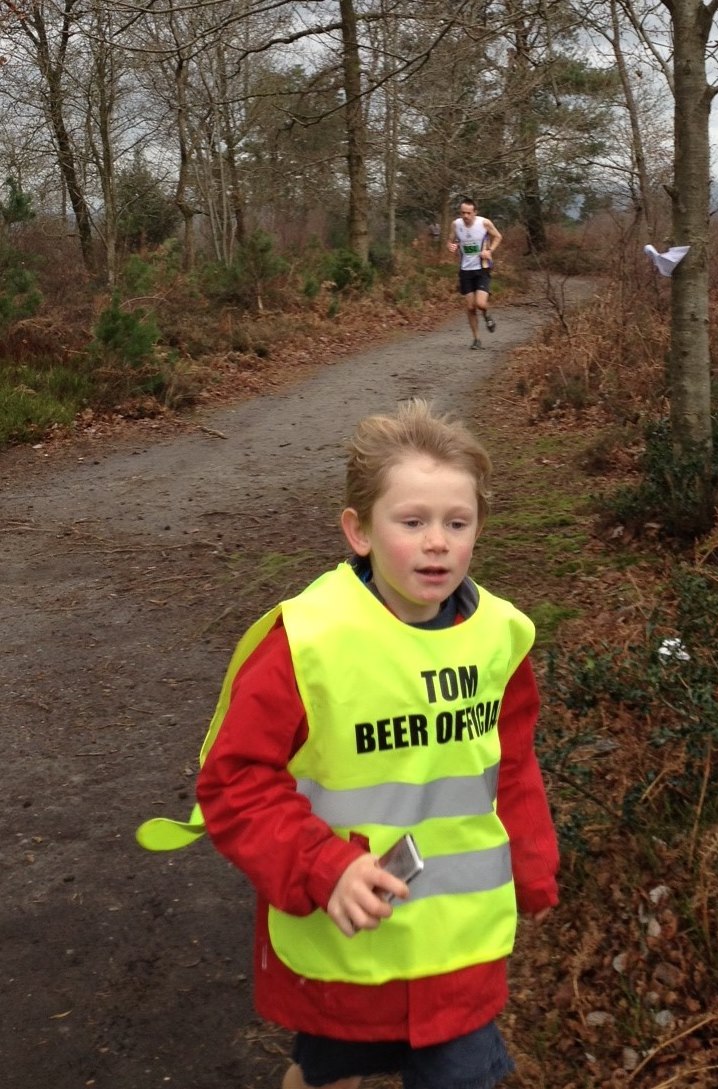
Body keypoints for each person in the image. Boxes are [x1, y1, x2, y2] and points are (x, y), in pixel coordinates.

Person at [194, 399, 559, 1089]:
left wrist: (533, 866)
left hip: (460, 946)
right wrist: (321, 866)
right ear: (358, 530)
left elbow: (510, 764)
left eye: (457, 522)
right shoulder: (307, 641)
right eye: (411, 521)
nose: (436, 543)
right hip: (347, 943)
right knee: (328, 1074)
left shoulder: (501, 636)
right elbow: (234, 780)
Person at [447, 198, 502, 350]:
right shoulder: (456, 224)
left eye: (468, 213)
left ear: (475, 213)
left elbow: (498, 236)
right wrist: (451, 246)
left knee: (480, 303)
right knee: (470, 307)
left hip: (482, 268)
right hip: (465, 270)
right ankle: (476, 339)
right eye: (463, 213)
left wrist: (489, 251)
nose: (465, 216)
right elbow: (450, 240)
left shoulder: (484, 223)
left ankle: (486, 314)